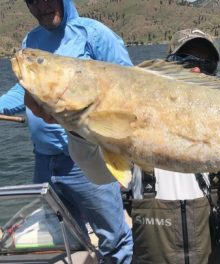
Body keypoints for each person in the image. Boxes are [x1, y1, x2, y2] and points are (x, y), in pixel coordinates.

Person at [0, 1, 133, 263]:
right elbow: (24, 90)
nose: (41, 6)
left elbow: (131, 87)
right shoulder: (32, 40)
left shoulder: (93, 34)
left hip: (85, 161)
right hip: (44, 162)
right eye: (32, 1)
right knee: (64, 236)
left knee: (113, 239)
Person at [129, 28, 220, 264]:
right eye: (186, 61)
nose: (196, 69)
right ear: (167, 65)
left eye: (207, 64)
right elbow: (97, 174)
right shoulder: (137, 121)